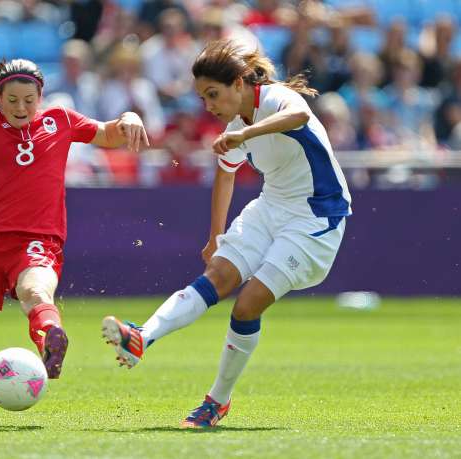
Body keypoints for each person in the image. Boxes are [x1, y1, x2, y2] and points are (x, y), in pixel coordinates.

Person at [0, 4, 149, 422]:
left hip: (39, 242)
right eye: (12, 99)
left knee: (36, 292)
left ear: (41, 96)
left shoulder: (60, 121)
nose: (21, 107)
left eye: (29, 99)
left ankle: (50, 340)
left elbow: (109, 133)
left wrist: (127, 116)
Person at [102, 39, 351, 428]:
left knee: (247, 304)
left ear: (239, 83)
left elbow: (299, 117)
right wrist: (215, 236)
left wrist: (244, 137)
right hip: (271, 208)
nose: (209, 106)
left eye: (213, 94)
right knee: (216, 277)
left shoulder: (276, 100)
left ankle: (217, 401)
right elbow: (225, 172)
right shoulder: (237, 126)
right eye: (203, 98)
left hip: (316, 219)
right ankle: (141, 337)